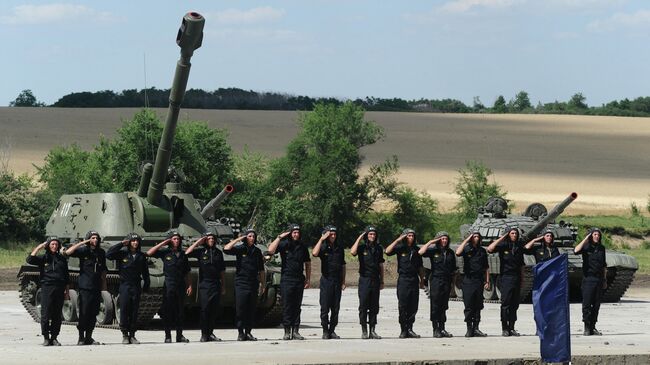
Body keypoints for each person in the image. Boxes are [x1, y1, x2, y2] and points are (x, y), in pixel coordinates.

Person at [63, 230, 107, 345]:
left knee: (93, 313)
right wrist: (83, 242)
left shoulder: (101, 252)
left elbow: (103, 270)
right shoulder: (84, 251)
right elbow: (68, 252)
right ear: (88, 239)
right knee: (84, 312)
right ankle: (81, 337)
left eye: (97, 238)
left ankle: (89, 337)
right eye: (93, 238)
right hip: (85, 287)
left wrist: (104, 284)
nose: (95, 240)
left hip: (96, 287)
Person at [147, 231, 192, 343]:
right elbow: (149, 253)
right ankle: (168, 336)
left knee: (180, 312)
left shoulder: (183, 254)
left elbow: (187, 272)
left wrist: (190, 285)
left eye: (177, 239)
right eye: (173, 239)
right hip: (169, 285)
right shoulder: (165, 252)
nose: (176, 241)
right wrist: (164, 242)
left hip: (180, 285)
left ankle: (179, 336)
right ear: (170, 240)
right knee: (168, 311)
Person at [268, 224, 311, 340]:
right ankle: (287, 331)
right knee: (287, 306)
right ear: (290, 233)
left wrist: (308, 279)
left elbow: (307, 263)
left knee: (297, 306)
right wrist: (279, 237)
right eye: (294, 232)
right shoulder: (284, 245)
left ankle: (296, 331)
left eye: (297, 232)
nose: (296, 234)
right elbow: (270, 251)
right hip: (287, 278)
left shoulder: (302, 247)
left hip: (298, 279)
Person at [106, 233, 150, 344]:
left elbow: (145, 272)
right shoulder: (122, 254)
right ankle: (125, 335)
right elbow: (109, 254)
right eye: (133, 241)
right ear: (129, 242)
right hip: (125, 285)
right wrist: (121, 243)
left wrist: (146, 285)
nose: (135, 243)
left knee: (134, 311)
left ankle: (133, 335)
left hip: (136, 286)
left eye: (137, 241)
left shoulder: (141, 256)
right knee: (124, 310)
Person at [224, 229, 265, 341]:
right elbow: (226, 249)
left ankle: (248, 332)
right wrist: (238, 239)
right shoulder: (240, 248)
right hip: (241, 283)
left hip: (253, 283)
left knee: (251, 309)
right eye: (249, 236)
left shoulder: (257, 251)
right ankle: (240, 332)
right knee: (240, 309)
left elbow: (261, 269)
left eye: (253, 236)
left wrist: (263, 284)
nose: (251, 238)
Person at [27, 236, 70, 346]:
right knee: (45, 314)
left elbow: (66, 277)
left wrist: (67, 292)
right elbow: (30, 259)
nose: (54, 246)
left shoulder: (62, 259)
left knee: (57, 315)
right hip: (47, 288)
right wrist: (40, 246)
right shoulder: (44, 258)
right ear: (48, 246)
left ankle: (54, 337)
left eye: (56, 244)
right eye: (52, 244)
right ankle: (46, 337)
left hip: (59, 288)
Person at [185, 232, 226, 342]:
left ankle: (211, 333)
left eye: (213, 238)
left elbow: (222, 270)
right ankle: (204, 334)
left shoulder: (218, 253)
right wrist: (199, 241)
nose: (211, 240)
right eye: (209, 238)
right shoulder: (200, 252)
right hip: (205, 284)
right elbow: (187, 252)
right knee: (205, 309)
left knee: (214, 310)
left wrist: (223, 285)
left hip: (216, 283)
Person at [386, 228, 425, 339]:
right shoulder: (400, 248)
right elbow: (388, 251)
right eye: (408, 236)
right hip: (403, 279)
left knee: (413, 305)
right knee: (403, 305)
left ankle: (410, 328)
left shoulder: (417, 250)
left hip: (414, 279)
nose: (411, 237)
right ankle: (403, 329)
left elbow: (420, 267)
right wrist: (399, 239)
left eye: (412, 236)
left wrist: (422, 280)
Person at [487, 227, 525, 337]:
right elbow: (490, 249)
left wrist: (522, 278)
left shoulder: (518, 246)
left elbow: (522, 265)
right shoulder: (503, 246)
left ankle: (512, 327)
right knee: (505, 304)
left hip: (516, 277)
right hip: (506, 277)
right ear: (508, 235)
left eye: (515, 233)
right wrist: (502, 237)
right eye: (512, 233)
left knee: (514, 304)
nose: (514, 235)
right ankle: (504, 328)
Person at [419, 231, 457, 338]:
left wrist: (452, 284)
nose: (444, 241)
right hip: (436, 280)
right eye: (442, 239)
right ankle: (435, 329)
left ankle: (442, 328)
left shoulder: (450, 252)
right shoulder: (433, 251)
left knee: (444, 306)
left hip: (446, 281)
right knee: (435, 305)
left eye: (445, 239)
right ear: (438, 240)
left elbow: (453, 269)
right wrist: (431, 242)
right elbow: (421, 252)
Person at [350, 225, 385, 339]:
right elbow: (352, 252)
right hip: (364, 279)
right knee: (363, 305)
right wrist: (360, 237)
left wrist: (382, 280)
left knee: (374, 306)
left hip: (375, 279)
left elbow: (381, 265)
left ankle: (373, 330)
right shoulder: (361, 248)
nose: (372, 236)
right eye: (370, 234)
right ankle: (364, 330)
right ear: (366, 235)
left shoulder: (379, 248)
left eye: (374, 234)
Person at [312, 225, 346, 339]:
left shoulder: (339, 248)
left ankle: (332, 330)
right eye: (331, 234)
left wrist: (343, 281)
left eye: (335, 234)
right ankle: (325, 331)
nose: (333, 236)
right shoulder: (323, 247)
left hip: (337, 281)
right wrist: (321, 239)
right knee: (325, 307)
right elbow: (314, 253)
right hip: (326, 280)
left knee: (335, 308)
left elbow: (343, 265)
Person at [455, 230, 489, 337]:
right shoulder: (466, 249)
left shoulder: (482, 251)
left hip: (479, 280)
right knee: (469, 305)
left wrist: (487, 281)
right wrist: (467, 240)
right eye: (474, 236)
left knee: (478, 305)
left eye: (477, 236)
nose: (476, 238)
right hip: (468, 280)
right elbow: (458, 252)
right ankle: (469, 328)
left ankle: (476, 328)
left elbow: (486, 267)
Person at [574, 227, 607, 336]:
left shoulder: (602, 248)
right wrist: (586, 238)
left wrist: (605, 280)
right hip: (588, 279)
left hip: (599, 279)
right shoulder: (586, 247)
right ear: (591, 236)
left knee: (596, 305)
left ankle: (593, 326)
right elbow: (576, 250)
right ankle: (587, 327)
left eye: (598, 234)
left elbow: (603, 266)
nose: (597, 236)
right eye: (594, 234)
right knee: (587, 304)